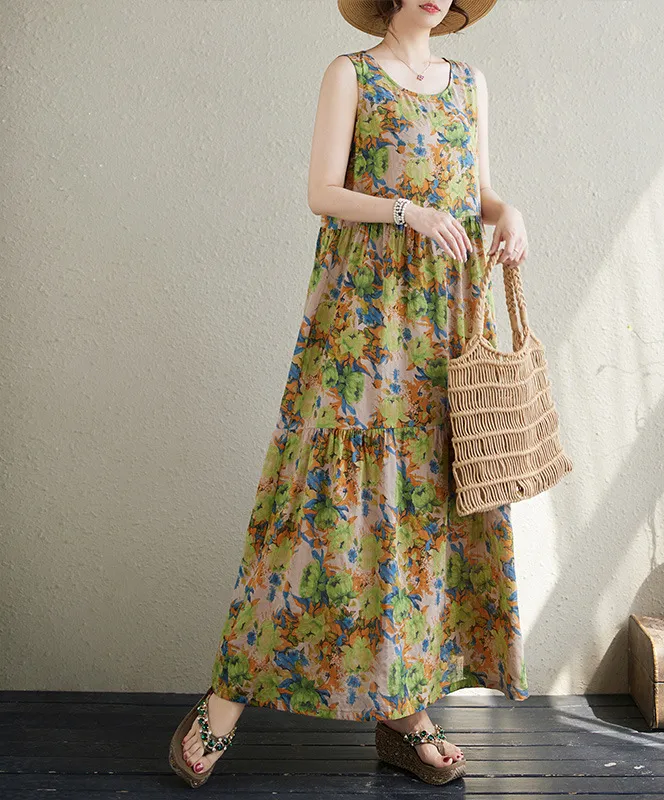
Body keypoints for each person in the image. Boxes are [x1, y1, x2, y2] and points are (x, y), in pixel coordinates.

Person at [169, 0, 531, 787]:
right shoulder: (352, 75)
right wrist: (408, 213)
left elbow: (478, 191)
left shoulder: (470, 84)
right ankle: (227, 699)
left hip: (442, 321)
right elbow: (322, 192)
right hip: (362, 315)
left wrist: (509, 215)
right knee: (319, 503)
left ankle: (405, 713)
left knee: (423, 508)